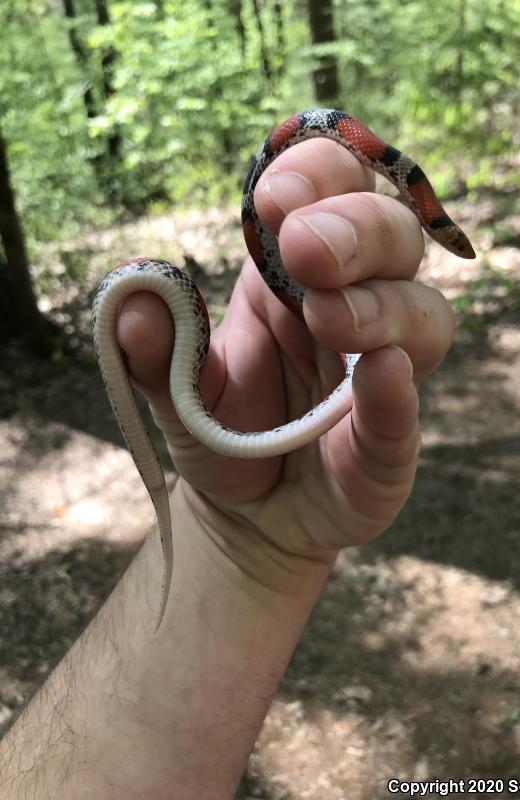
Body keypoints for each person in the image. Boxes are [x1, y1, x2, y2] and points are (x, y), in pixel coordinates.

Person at [0, 135, 456, 799]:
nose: (451, 244)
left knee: (331, 274)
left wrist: (243, 543)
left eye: (442, 231)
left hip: (263, 509)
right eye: (445, 233)